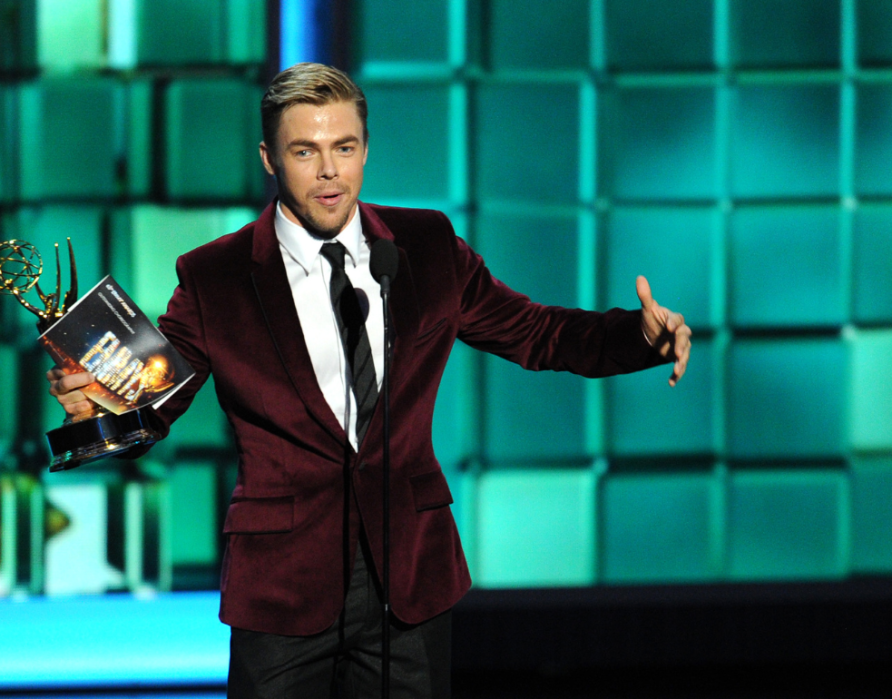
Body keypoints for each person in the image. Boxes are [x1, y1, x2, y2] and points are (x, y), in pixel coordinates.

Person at [47, 63, 691, 699]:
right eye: (305, 151)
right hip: (282, 585)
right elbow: (155, 404)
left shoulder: (427, 246)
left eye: (344, 148)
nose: (329, 171)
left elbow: (538, 332)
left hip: (407, 577)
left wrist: (639, 336)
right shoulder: (216, 277)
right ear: (270, 158)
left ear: (364, 149)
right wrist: (95, 417)